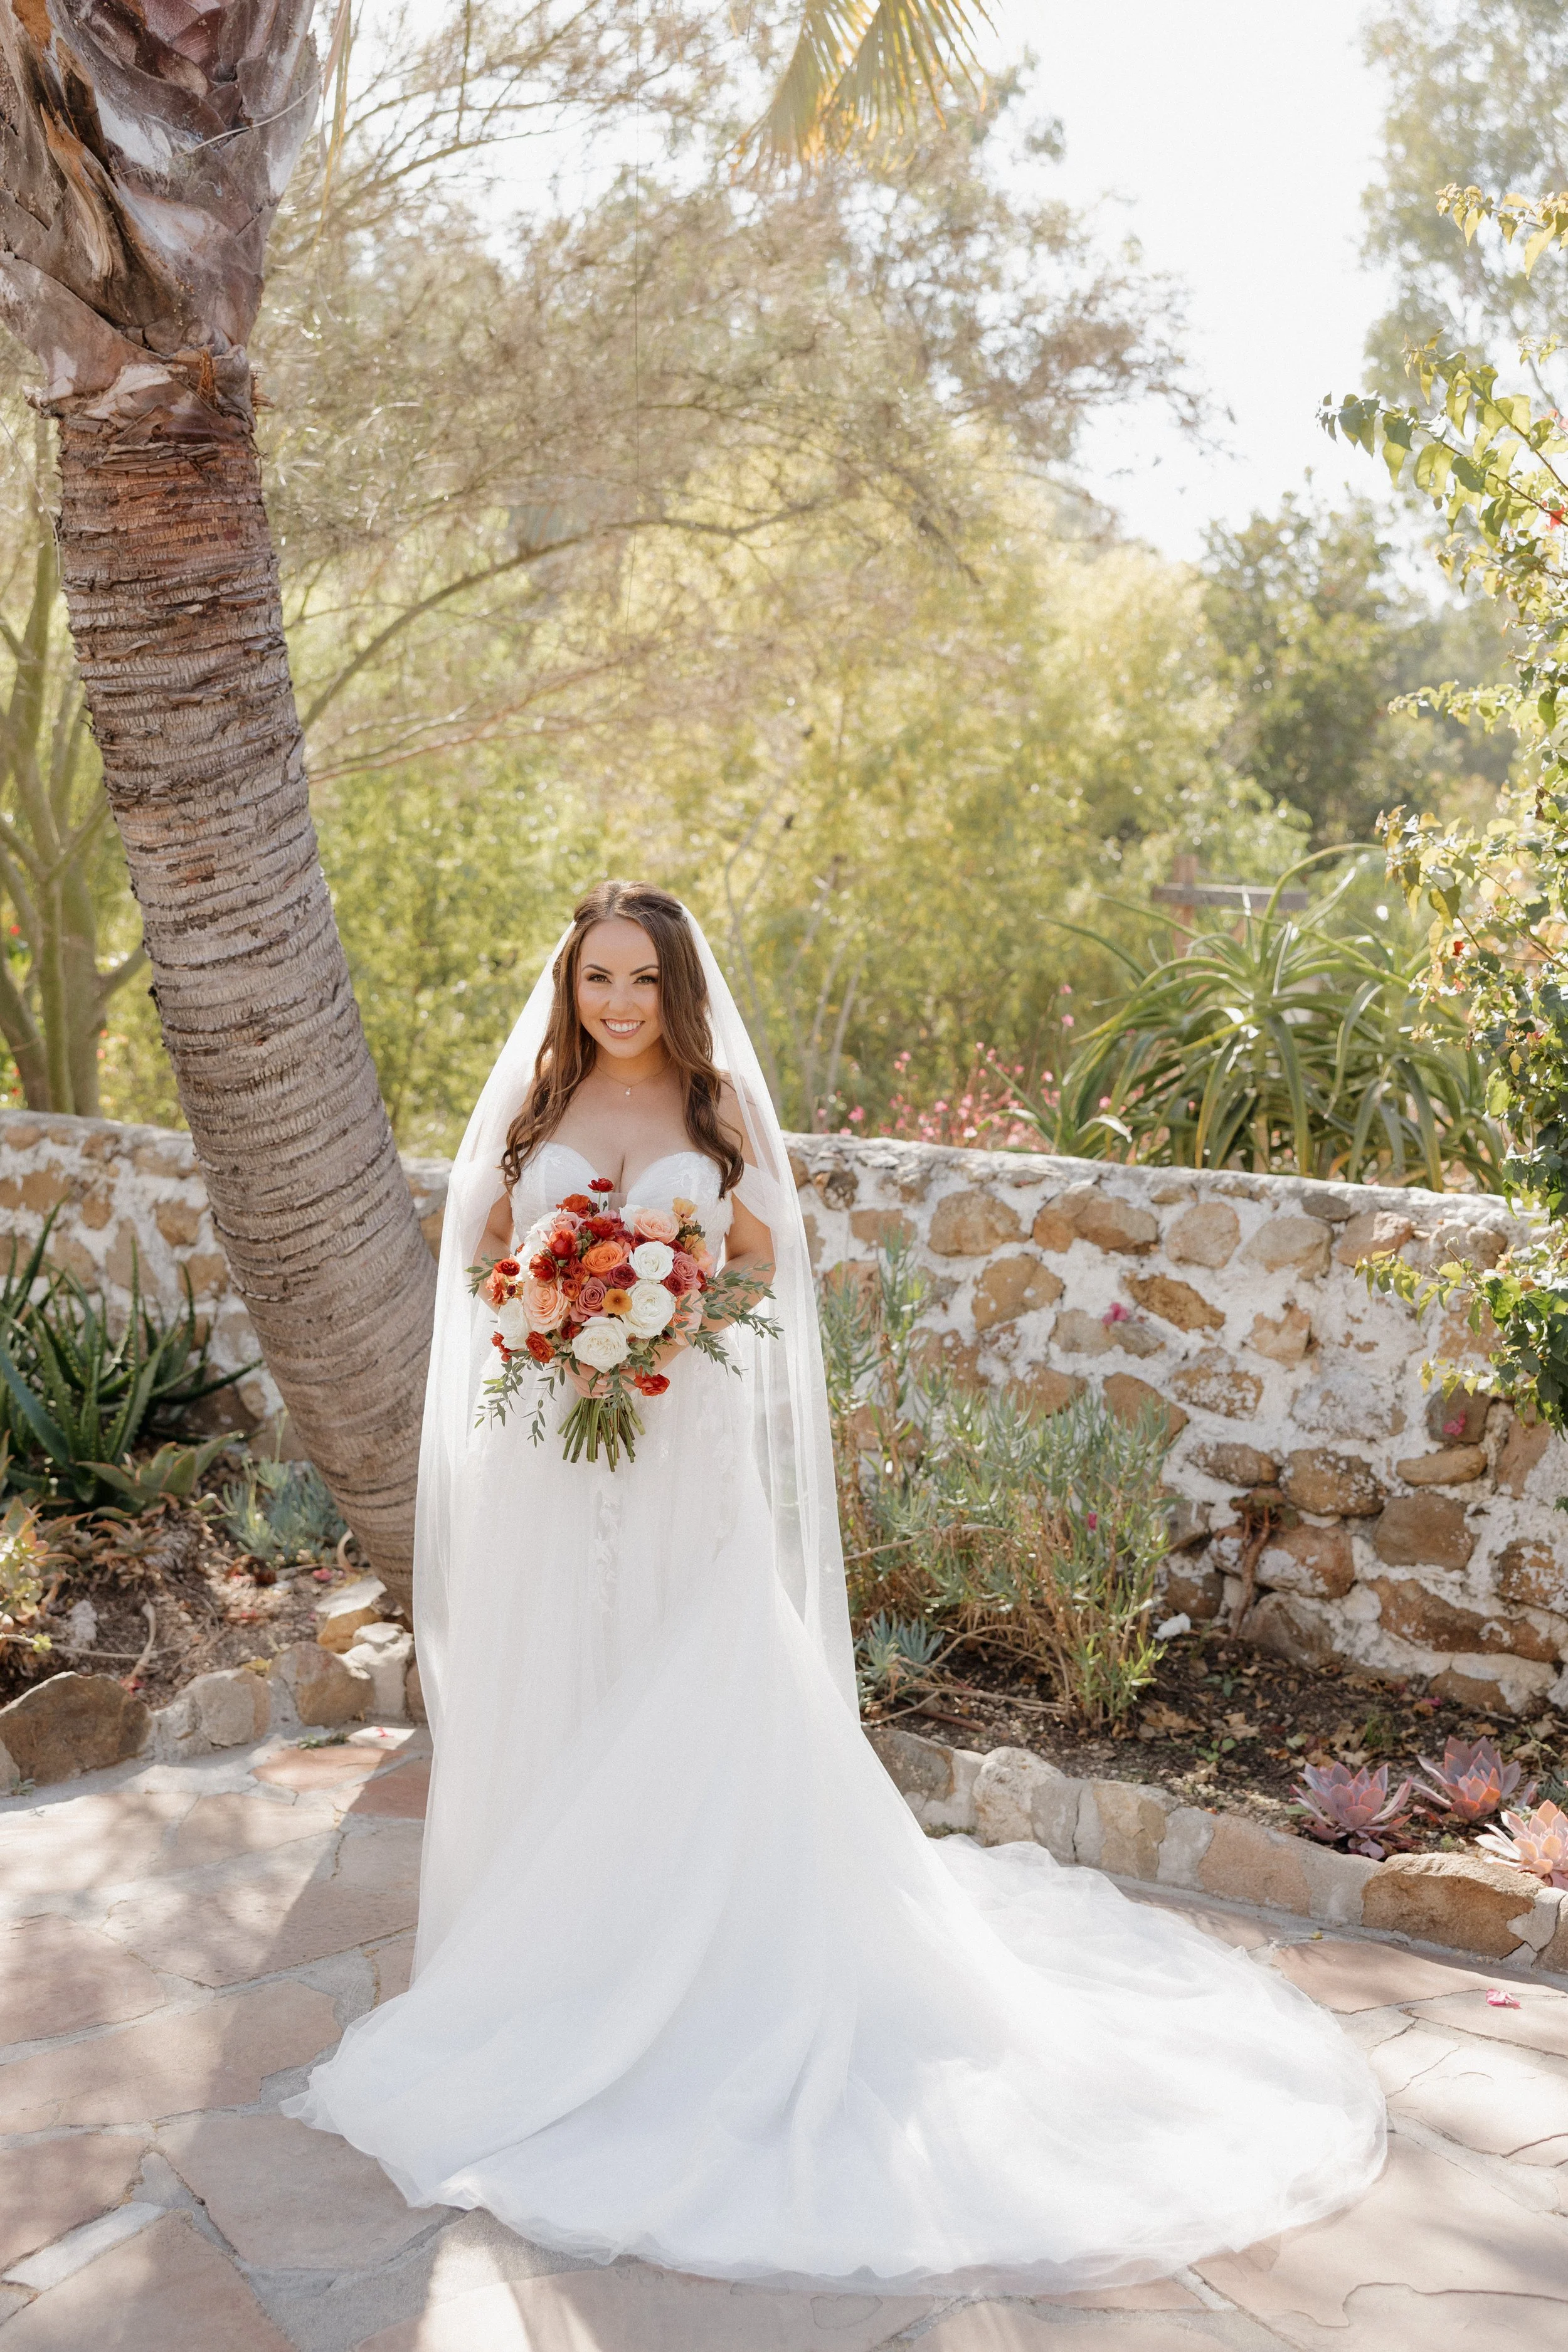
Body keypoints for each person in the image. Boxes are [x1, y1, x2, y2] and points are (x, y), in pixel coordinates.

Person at [285, 879, 1385, 2294]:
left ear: (675, 991)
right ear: (568, 988)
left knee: (697, 1683)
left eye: (638, 982)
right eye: (594, 980)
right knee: (574, 1678)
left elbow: (762, 1269)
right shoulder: (533, 1119)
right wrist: (552, 1315)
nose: (614, 1005)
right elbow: (486, 1263)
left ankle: (709, 1971)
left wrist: (666, 1308)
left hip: (679, 1453)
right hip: (562, 1464)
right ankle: (562, 1957)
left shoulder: (717, 1117)